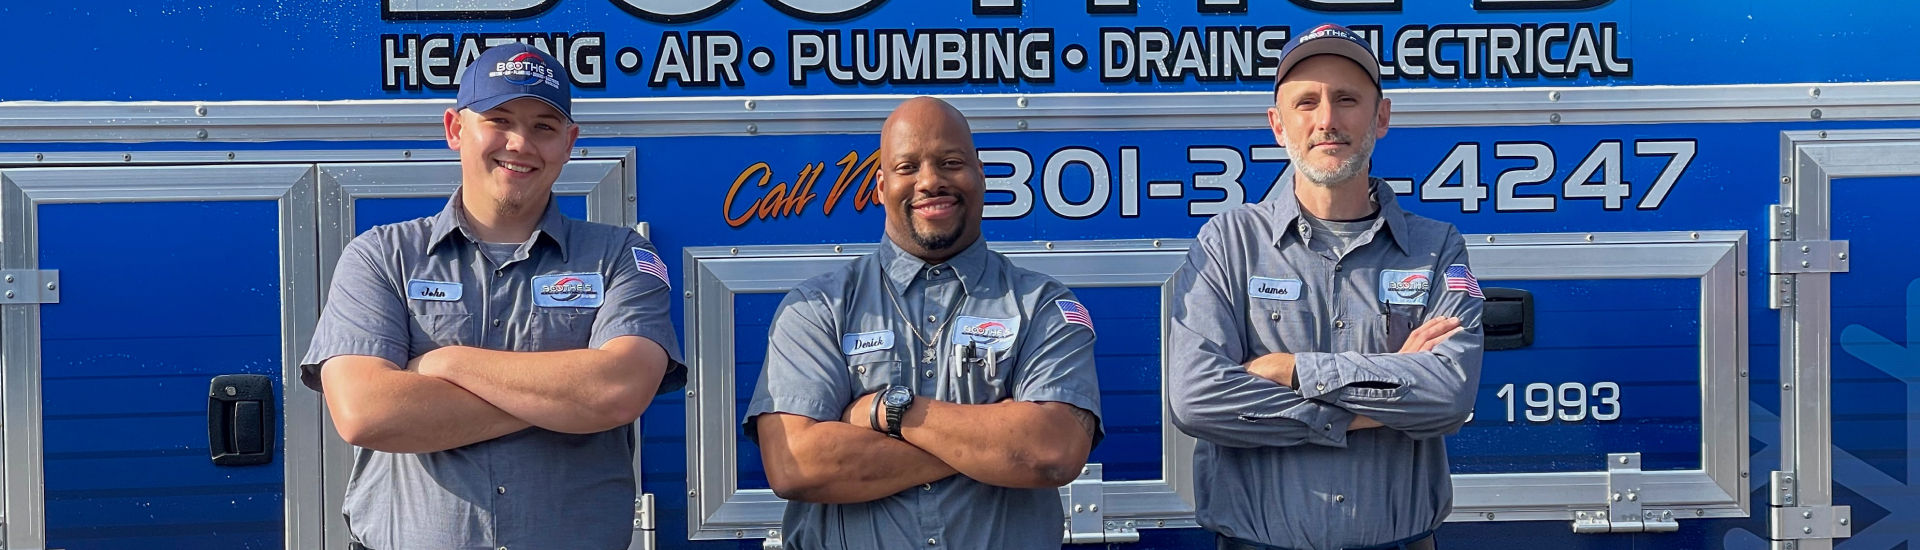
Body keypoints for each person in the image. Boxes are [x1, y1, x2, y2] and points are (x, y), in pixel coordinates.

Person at [299, 43, 684, 550]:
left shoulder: (621, 257)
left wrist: (448, 363)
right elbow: (368, 412)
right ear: (456, 130)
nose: (520, 143)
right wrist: (567, 397)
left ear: (568, 142)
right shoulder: (380, 256)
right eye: (499, 120)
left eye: (543, 126)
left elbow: (617, 392)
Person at [1167, 24, 1486, 550]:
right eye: (1306, 102)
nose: (1327, 121)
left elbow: (1447, 396)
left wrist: (1290, 370)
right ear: (1277, 124)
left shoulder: (1438, 248)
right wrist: (1369, 405)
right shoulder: (1227, 243)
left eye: (1346, 100)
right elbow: (1198, 400)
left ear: (1381, 116)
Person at [742, 96, 1103, 550]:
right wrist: (991, 443)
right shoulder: (817, 309)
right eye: (907, 167)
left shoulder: (1042, 306)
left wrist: (885, 413)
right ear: (880, 186)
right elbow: (796, 465)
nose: (930, 181)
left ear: (981, 175)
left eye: (950, 162)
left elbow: (1052, 452)